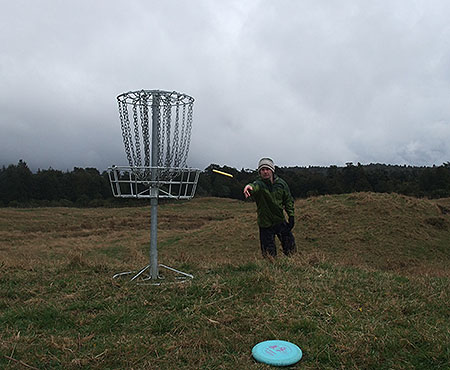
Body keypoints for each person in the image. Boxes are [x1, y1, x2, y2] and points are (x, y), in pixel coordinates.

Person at [243, 158, 296, 257]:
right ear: (259, 172)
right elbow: (254, 186)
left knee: (291, 248)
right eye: (262, 170)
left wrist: (291, 216)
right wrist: (249, 187)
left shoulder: (281, 184)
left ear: (272, 170)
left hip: (279, 220)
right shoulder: (259, 184)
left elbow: (288, 200)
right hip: (265, 223)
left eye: (267, 169)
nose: (265, 172)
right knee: (269, 255)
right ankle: (271, 271)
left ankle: (293, 267)